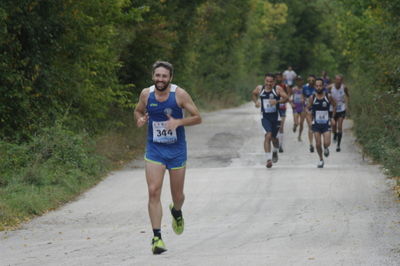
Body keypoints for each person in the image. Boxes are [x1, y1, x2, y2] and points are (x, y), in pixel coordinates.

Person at [134, 61, 202, 254]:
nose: (160, 79)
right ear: (153, 76)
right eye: (157, 76)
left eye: (164, 76)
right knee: (154, 191)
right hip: (155, 149)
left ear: (170, 78)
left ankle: (177, 211)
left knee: (178, 196)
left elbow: (198, 117)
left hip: (177, 150)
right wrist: (139, 119)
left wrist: (179, 122)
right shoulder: (146, 94)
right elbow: (138, 110)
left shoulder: (179, 94)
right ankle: (157, 238)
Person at [252, 73, 288, 168]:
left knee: (274, 139)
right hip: (265, 117)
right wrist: (256, 102)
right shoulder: (260, 89)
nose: (268, 83)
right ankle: (268, 159)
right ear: (264, 80)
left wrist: (277, 101)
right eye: (267, 81)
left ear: (274, 82)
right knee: (268, 135)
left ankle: (275, 151)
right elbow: (253, 94)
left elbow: (286, 98)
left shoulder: (277, 89)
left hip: (276, 118)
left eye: (271, 81)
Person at [307, 78, 336, 168]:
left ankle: (326, 148)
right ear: (315, 86)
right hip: (316, 123)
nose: (319, 87)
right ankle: (321, 159)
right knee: (318, 144)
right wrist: (310, 119)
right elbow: (308, 108)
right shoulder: (312, 97)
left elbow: (335, 106)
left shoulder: (328, 96)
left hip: (326, 123)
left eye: (320, 86)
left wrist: (332, 118)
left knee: (326, 142)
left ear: (323, 86)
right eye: (317, 86)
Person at [329, 74, 349, 152]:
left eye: (340, 80)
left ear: (342, 81)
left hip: (341, 108)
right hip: (332, 109)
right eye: (337, 80)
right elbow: (325, 94)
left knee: (339, 126)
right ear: (334, 80)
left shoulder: (344, 87)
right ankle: (334, 134)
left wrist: (347, 105)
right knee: (333, 125)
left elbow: (347, 96)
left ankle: (338, 145)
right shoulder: (330, 87)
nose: (338, 81)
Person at [275, 72, 290, 153]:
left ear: (282, 78)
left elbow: (287, 97)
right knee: (276, 127)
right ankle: (276, 142)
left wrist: (281, 101)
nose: (278, 79)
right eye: (276, 77)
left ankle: (280, 145)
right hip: (274, 109)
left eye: (279, 77)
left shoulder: (285, 86)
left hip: (282, 108)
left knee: (281, 126)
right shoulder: (273, 86)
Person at [303, 75, 317, 152]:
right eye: (310, 80)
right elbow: (303, 96)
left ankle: (318, 141)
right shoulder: (305, 87)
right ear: (308, 81)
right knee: (310, 126)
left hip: (317, 110)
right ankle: (311, 144)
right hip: (308, 109)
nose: (311, 82)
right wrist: (304, 103)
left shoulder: (318, 87)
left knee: (316, 127)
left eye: (312, 80)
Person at [290, 76, 305, 141]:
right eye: (297, 80)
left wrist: (304, 99)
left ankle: (299, 136)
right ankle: (295, 125)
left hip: (302, 107)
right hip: (295, 106)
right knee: (296, 122)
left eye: (300, 80)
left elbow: (308, 97)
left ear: (302, 81)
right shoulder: (293, 89)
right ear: (296, 81)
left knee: (301, 123)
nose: (299, 82)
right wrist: (291, 104)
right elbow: (289, 97)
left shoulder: (304, 88)